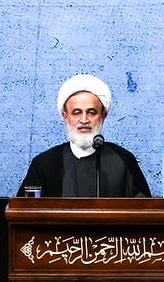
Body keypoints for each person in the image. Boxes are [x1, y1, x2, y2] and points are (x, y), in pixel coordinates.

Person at [17, 73, 153, 197]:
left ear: (103, 116)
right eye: (76, 113)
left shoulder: (123, 160)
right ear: (65, 116)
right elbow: (23, 211)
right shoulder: (44, 163)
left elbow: (145, 211)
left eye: (91, 112)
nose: (84, 120)